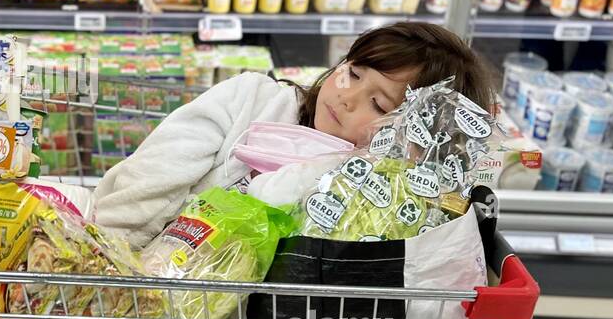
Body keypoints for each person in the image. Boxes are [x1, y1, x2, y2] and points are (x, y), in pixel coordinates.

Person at [92, 21, 497, 246]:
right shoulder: (250, 100)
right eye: (352, 72)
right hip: (143, 268)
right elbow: (153, 178)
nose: (347, 96)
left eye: (379, 105)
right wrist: (107, 251)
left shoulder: (377, 205)